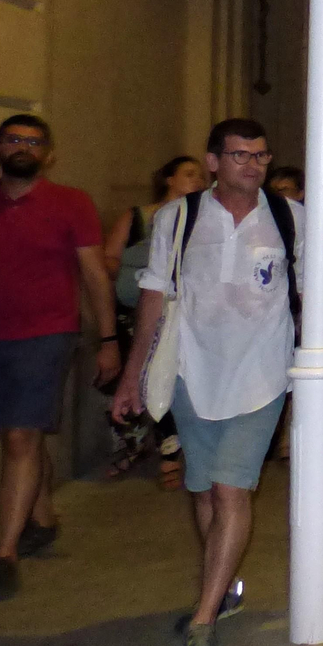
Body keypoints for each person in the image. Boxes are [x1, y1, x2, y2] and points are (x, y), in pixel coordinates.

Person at [113, 118, 323, 646]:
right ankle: (220, 591)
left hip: (261, 376)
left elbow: (313, 295)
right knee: (202, 492)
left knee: (229, 491)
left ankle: (203, 621)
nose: (254, 165)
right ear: (214, 160)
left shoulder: (292, 219)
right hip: (191, 375)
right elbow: (154, 294)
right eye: (241, 155)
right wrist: (132, 374)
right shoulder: (180, 215)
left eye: (262, 156)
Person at [0, 114, 119, 601]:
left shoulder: (70, 204)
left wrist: (109, 339)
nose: (23, 148)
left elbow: (95, 276)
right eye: (13, 140)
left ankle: (6, 553)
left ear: (47, 155)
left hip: (47, 336)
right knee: (15, 437)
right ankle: (44, 516)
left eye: (34, 142)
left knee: (19, 437)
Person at [101, 155, 207, 480]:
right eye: (189, 174)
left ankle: (170, 446)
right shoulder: (137, 217)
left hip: (177, 313)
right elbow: (110, 257)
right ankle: (132, 443)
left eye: (200, 176)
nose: (198, 181)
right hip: (132, 312)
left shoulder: (201, 219)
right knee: (131, 376)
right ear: (169, 180)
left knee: (168, 373)